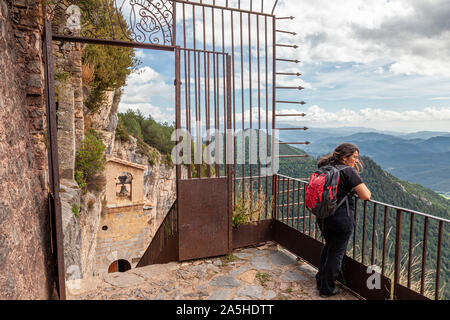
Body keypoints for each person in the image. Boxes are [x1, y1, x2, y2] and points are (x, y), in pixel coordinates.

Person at [315, 142, 371, 297]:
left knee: (329, 248)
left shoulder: (325, 169)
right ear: (345, 158)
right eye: (355, 157)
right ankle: (327, 288)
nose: (356, 161)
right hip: (341, 220)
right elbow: (366, 195)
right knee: (336, 253)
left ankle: (321, 279)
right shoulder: (348, 171)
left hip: (323, 217)